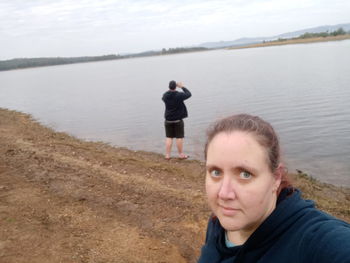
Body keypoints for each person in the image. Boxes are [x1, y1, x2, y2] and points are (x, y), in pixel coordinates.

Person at [198, 113, 350, 263]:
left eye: (245, 174)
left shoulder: (314, 241)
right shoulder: (218, 222)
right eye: (216, 172)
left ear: (276, 178)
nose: (224, 194)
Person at [162, 80, 191, 160]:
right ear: (175, 87)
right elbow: (189, 94)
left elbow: (164, 97)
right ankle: (181, 154)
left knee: (169, 137)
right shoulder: (179, 95)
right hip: (178, 120)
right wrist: (182, 87)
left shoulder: (165, 96)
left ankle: (167, 155)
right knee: (179, 137)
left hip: (168, 119)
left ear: (169, 87)